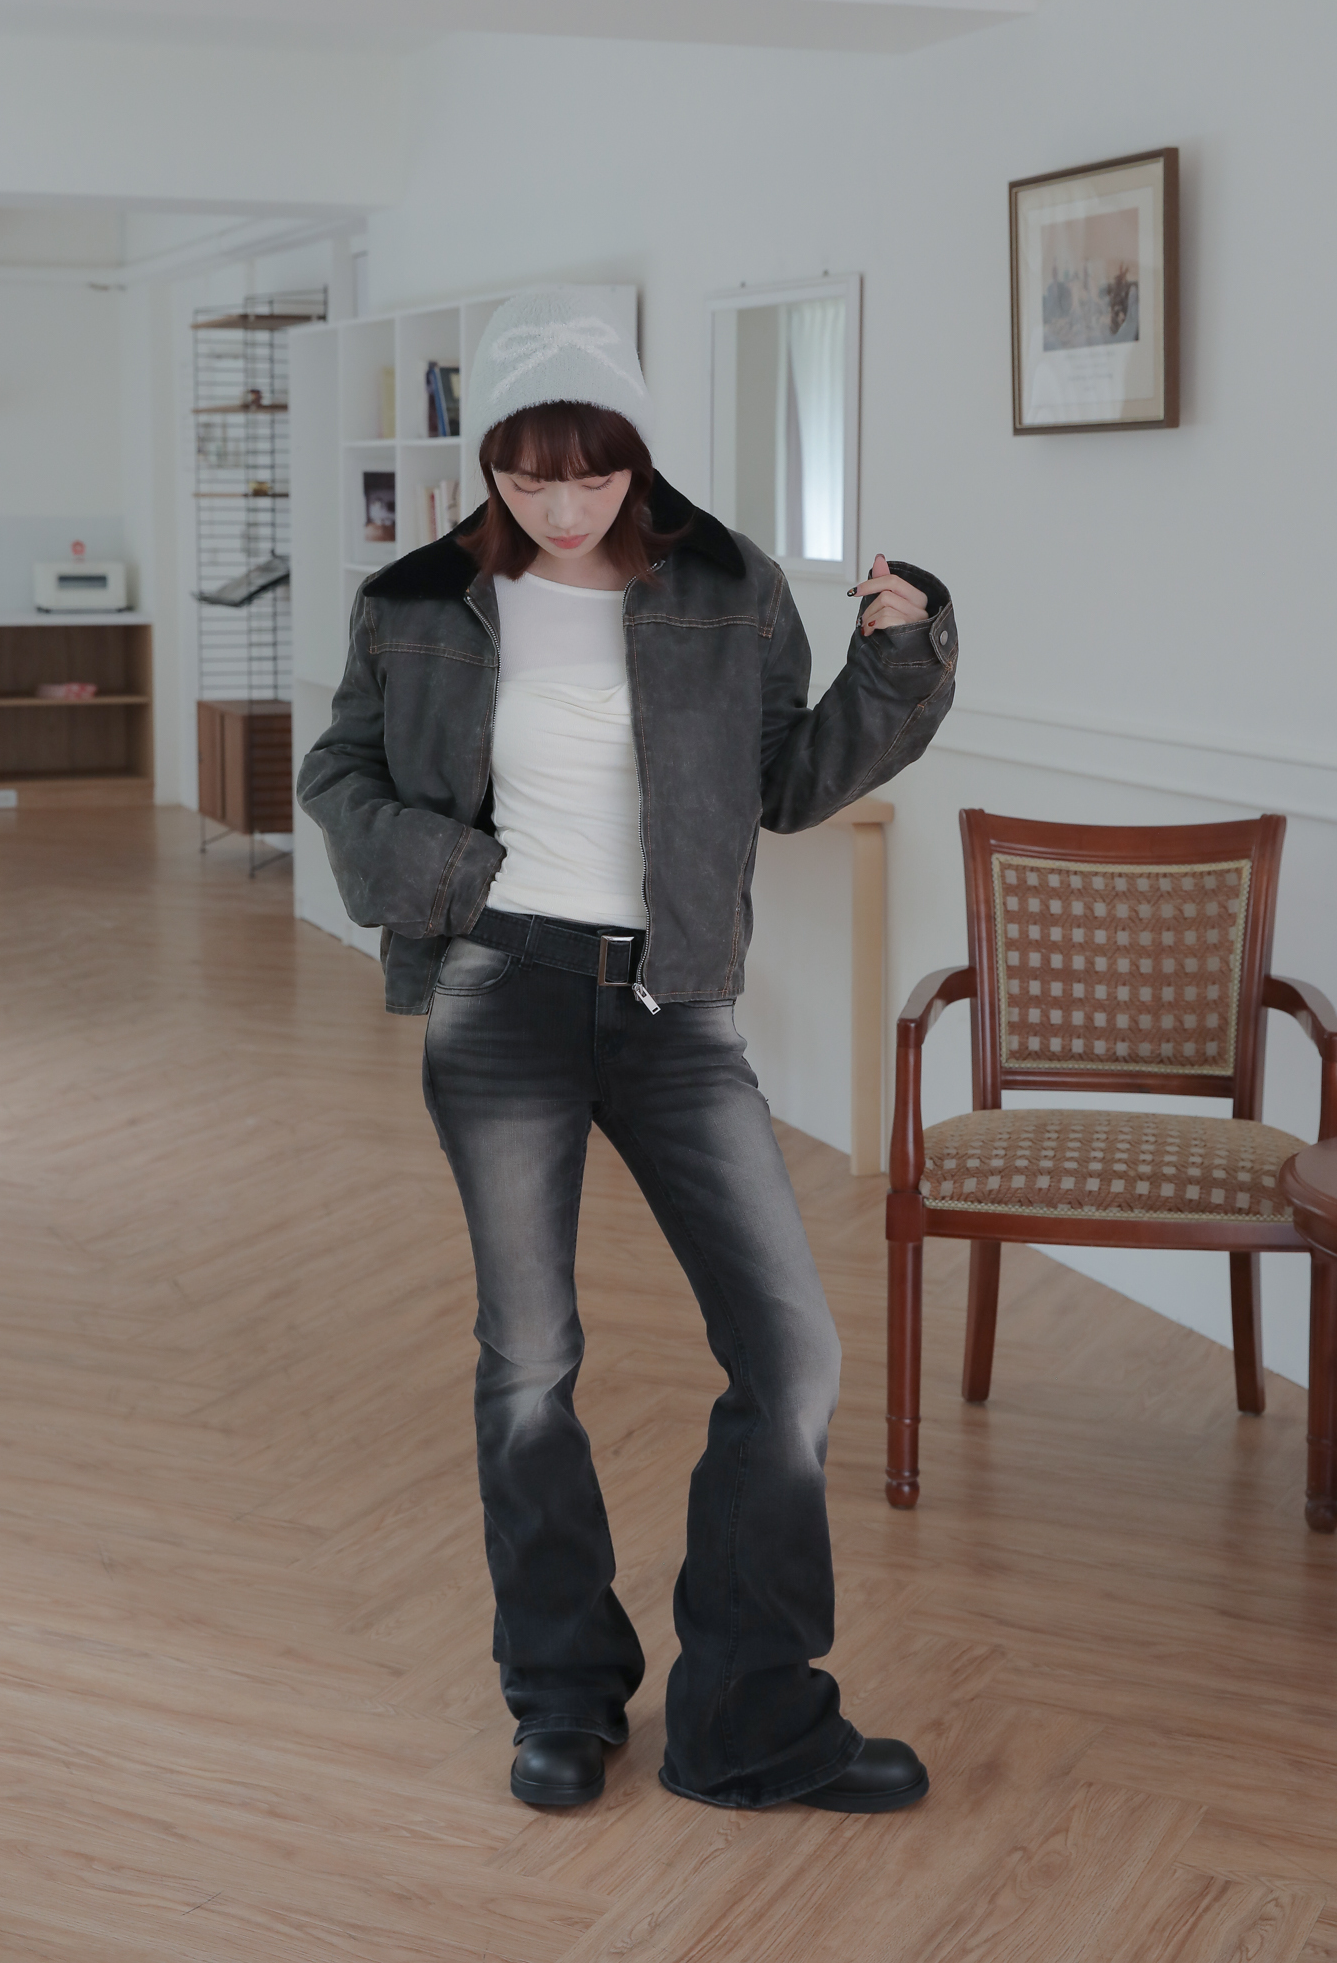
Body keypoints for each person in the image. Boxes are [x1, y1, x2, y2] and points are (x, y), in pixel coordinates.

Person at [297, 287, 958, 1814]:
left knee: (788, 1355)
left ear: (636, 455)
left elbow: (787, 784)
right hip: (500, 1001)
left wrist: (898, 661)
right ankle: (561, 1697)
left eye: (592, 473)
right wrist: (455, 876)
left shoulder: (728, 585)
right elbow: (338, 772)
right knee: (529, 1364)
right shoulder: (413, 600)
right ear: (488, 462)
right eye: (529, 477)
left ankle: (749, 1722)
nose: (563, 506)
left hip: (675, 1010)